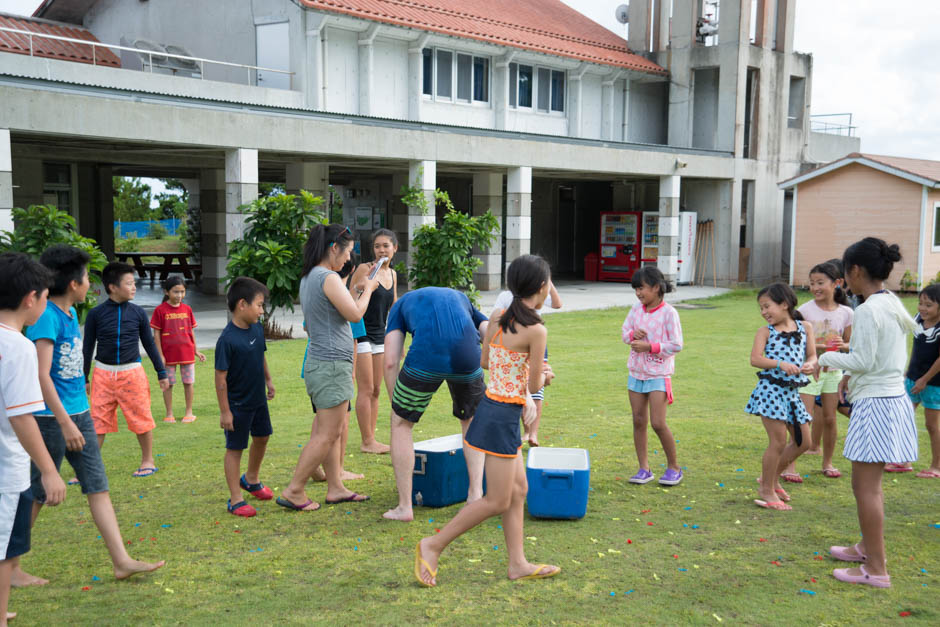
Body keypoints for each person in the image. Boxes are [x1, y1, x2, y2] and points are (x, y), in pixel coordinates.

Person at [13, 245, 164, 588]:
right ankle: (11, 565)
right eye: (86, 278)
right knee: (37, 492)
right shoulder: (47, 317)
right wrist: (65, 422)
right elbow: (41, 375)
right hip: (52, 420)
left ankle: (121, 561)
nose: (89, 284)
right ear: (73, 283)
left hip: (79, 415)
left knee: (98, 487)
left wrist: (78, 415)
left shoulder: (68, 315)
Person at [414, 255, 559, 587]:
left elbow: (486, 361)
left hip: (492, 408)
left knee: (518, 489)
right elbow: (535, 386)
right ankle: (432, 545)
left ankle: (518, 563)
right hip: (502, 417)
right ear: (541, 287)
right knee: (497, 499)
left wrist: (519, 374)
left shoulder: (496, 317)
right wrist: (545, 377)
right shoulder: (537, 330)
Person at [818, 238, 917, 588]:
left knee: (866, 490)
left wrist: (825, 359)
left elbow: (863, 360)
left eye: (845, 274)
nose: (845, 281)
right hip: (889, 399)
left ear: (855, 271)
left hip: (877, 405)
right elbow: (877, 355)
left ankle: (876, 569)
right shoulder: (890, 301)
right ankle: (866, 548)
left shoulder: (868, 310)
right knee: (867, 488)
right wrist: (849, 373)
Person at [277, 224, 378, 512]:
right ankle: (295, 489)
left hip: (321, 363)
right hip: (332, 365)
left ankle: (336, 487)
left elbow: (314, 323)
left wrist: (356, 292)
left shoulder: (310, 277)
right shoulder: (329, 278)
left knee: (330, 428)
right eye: (347, 252)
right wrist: (368, 288)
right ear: (334, 247)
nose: (348, 259)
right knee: (328, 432)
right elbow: (356, 313)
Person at [381, 286, 489, 522]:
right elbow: (487, 329)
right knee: (470, 420)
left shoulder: (399, 306)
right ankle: (475, 496)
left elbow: (390, 361)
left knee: (401, 425)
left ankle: (404, 507)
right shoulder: (461, 298)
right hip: (467, 355)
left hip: (425, 357)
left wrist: (397, 404)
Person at [0, 253, 66, 626]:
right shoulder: (19, 347)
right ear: (31, 298)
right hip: (6, 468)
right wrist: (48, 470)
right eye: (45, 296)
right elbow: (22, 416)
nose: (46, 304)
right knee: (5, 550)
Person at [83, 262, 169, 477]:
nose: (134, 287)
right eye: (129, 283)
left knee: (141, 417)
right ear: (112, 287)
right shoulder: (95, 314)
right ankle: (89, 467)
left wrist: (161, 372)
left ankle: (147, 460)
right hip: (103, 374)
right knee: (98, 421)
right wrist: (84, 377)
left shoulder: (139, 313)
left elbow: (149, 344)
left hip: (132, 373)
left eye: (134, 283)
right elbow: (87, 347)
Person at [746, 282, 817, 510]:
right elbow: (755, 359)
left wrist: (809, 364)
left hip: (792, 392)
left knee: (803, 442)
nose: (764, 312)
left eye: (768, 306)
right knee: (777, 443)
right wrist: (779, 364)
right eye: (761, 308)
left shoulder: (805, 327)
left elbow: (813, 355)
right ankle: (766, 489)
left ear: (784, 304)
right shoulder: (765, 331)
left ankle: (771, 480)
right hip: (771, 391)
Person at [782, 261, 853, 481]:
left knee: (831, 419)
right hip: (809, 372)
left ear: (837, 284)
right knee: (804, 418)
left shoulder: (847, 312)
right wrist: (821, 348)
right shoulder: (804, 310)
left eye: (820, 282)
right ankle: (789, 466)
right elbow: (795, 343)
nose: (815, 288)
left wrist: (842, 345)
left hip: (833, 372)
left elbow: (851, 345)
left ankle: (828, 463)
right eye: (812, 283)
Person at [215, 277, 275, 517]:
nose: (262, 310)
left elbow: (261, 356)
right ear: (242, 304)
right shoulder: (227, 340)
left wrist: (268, 380)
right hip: (237, 406)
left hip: (258, 400)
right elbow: (220, 379)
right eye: (259, 305)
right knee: (235, 448)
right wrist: (225, 411)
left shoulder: (257, 329)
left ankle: (251, 479)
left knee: (263, 437)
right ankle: (236, 498)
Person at [621, 267, 684, 486]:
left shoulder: (669, 313)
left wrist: (650, 346)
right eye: (636, 289)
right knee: (639, 421)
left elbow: (677, 344)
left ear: (656, 288)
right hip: (636, 373)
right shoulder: (636, 310)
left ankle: (674, 467)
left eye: (641, 288)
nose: (638, 293)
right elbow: (624, 332)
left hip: (659, 374)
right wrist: (632, 335)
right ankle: (644, 469)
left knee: (658, 423)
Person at [491, 281, 562, 446]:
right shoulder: (506, 297)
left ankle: (532, 433)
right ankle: (526, 431)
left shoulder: (536, 300)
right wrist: (545, 377)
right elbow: (497, 321)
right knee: (525, 386)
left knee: (534, 391)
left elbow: (557, 304)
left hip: (533, 346)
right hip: (513, 347)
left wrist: (548, 282)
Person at [348, 229, 397, 455]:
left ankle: (372, 438)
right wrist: (365, 283)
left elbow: (393, 308)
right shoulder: (365, 268)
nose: (381, 250)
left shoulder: (393, 275)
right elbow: (351, 296)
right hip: (361, 333)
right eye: (377, 246)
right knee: (365, 389)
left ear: (394, 248)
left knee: (377, 389)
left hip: (381, 334)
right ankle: (366, 441)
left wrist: (398, 339)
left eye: (386, 245)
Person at [898, 284, 940, 478]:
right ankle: (904, 460)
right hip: (913, 378)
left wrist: (924, 379)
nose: (922, 308)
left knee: (932, 426)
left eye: (928, 305)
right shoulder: (918, 320)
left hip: (933, 384)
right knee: (904, 418)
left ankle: (936, 466)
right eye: (920, 303)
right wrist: (910, 372)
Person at [151, 276, 206, 424]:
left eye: (182, 292)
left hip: (187, 353)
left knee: (188, 382)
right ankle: (169, 414)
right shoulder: (159, 310)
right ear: (166, 292)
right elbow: (156, 334)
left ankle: (189, 412)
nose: (179, 295)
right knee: (168, 384)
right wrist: (160, 355)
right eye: (176, 292)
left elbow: (191, 331)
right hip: (168, 355)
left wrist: (196, 350)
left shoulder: (187, 309)